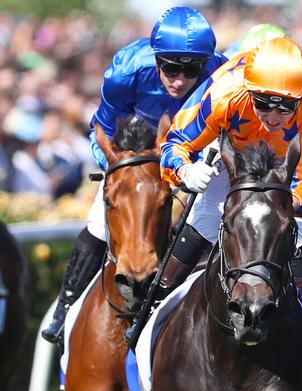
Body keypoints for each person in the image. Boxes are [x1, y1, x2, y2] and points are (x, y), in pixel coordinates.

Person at [123, 37, 302, 374]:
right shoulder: (225, 91)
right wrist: (184, 170)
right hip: (232, 159)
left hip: (282, 164)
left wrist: (287, 206)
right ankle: (148, 312)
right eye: (264, 103)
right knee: (206, 219)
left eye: (286, 106)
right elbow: (176, 143)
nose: (274, 115)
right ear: (248, 91)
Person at [41, 6, 228, 345]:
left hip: (193, 150)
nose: (180, 81)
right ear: (156, 61)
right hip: (137, 151)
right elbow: (103, 129)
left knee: (214, 217)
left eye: (191, 71)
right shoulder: (126, 72)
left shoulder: (221, 76)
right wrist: (119, 172)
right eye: (171, 69)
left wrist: (190, 169)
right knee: (101, 219)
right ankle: (65, 307)